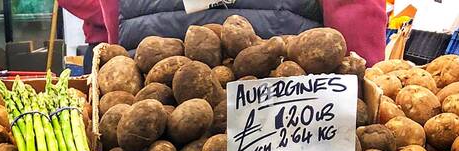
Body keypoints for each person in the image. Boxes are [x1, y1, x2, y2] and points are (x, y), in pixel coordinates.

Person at [59, 0, 386, 66]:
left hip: (146, 53)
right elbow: (354, 9)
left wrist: (109, 21)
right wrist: (366, 70)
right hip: (289, 85)